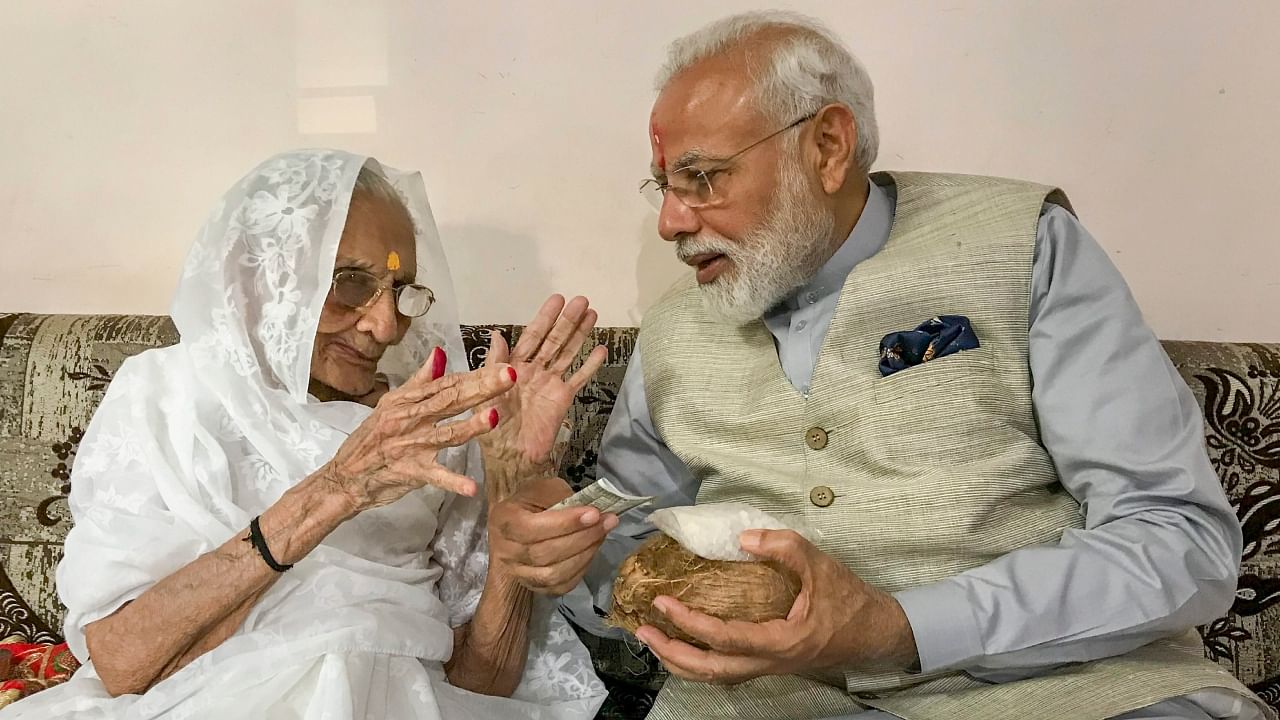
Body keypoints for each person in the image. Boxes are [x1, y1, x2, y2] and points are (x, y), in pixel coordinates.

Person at [524, 11, 1269, 720]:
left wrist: (899, 626)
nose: (671, 223)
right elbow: (630, 544)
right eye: (665, 186)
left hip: (1073, 693)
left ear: (827, 146)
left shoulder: (1026, 249)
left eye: (705, 178)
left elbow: (1179, 539)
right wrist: (558, 533)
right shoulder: (674, 330)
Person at [0, 150, 610, 719]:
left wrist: (509, 484)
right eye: (349, 283)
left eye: (402, 292)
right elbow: (122, 663)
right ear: (256, 274)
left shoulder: (430, 425)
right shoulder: (168, 395)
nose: (385, 325)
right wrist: (336, 488)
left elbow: (482, 685)